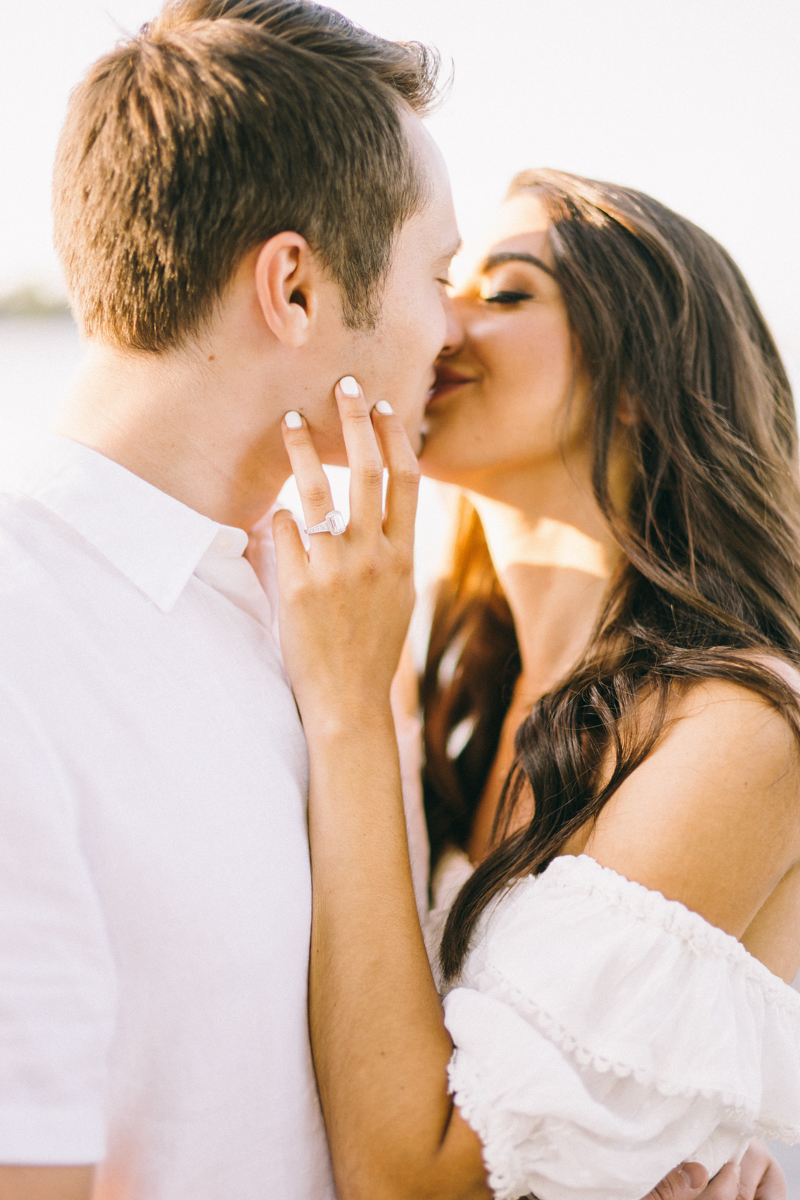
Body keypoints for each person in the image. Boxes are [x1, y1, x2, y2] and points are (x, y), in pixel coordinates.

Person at [0, 2, 460, 1197]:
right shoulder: (22, 654)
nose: (453, 335)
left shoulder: (316, 608)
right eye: (441, 274)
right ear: (294, 288)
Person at [270, 170, 800, 1200]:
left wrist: (345, 714)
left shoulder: (733, 726)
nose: (440, 322)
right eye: (443, 283)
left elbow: (413, 1181)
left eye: (504, 293)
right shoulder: (458, 697)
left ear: (647, 378)